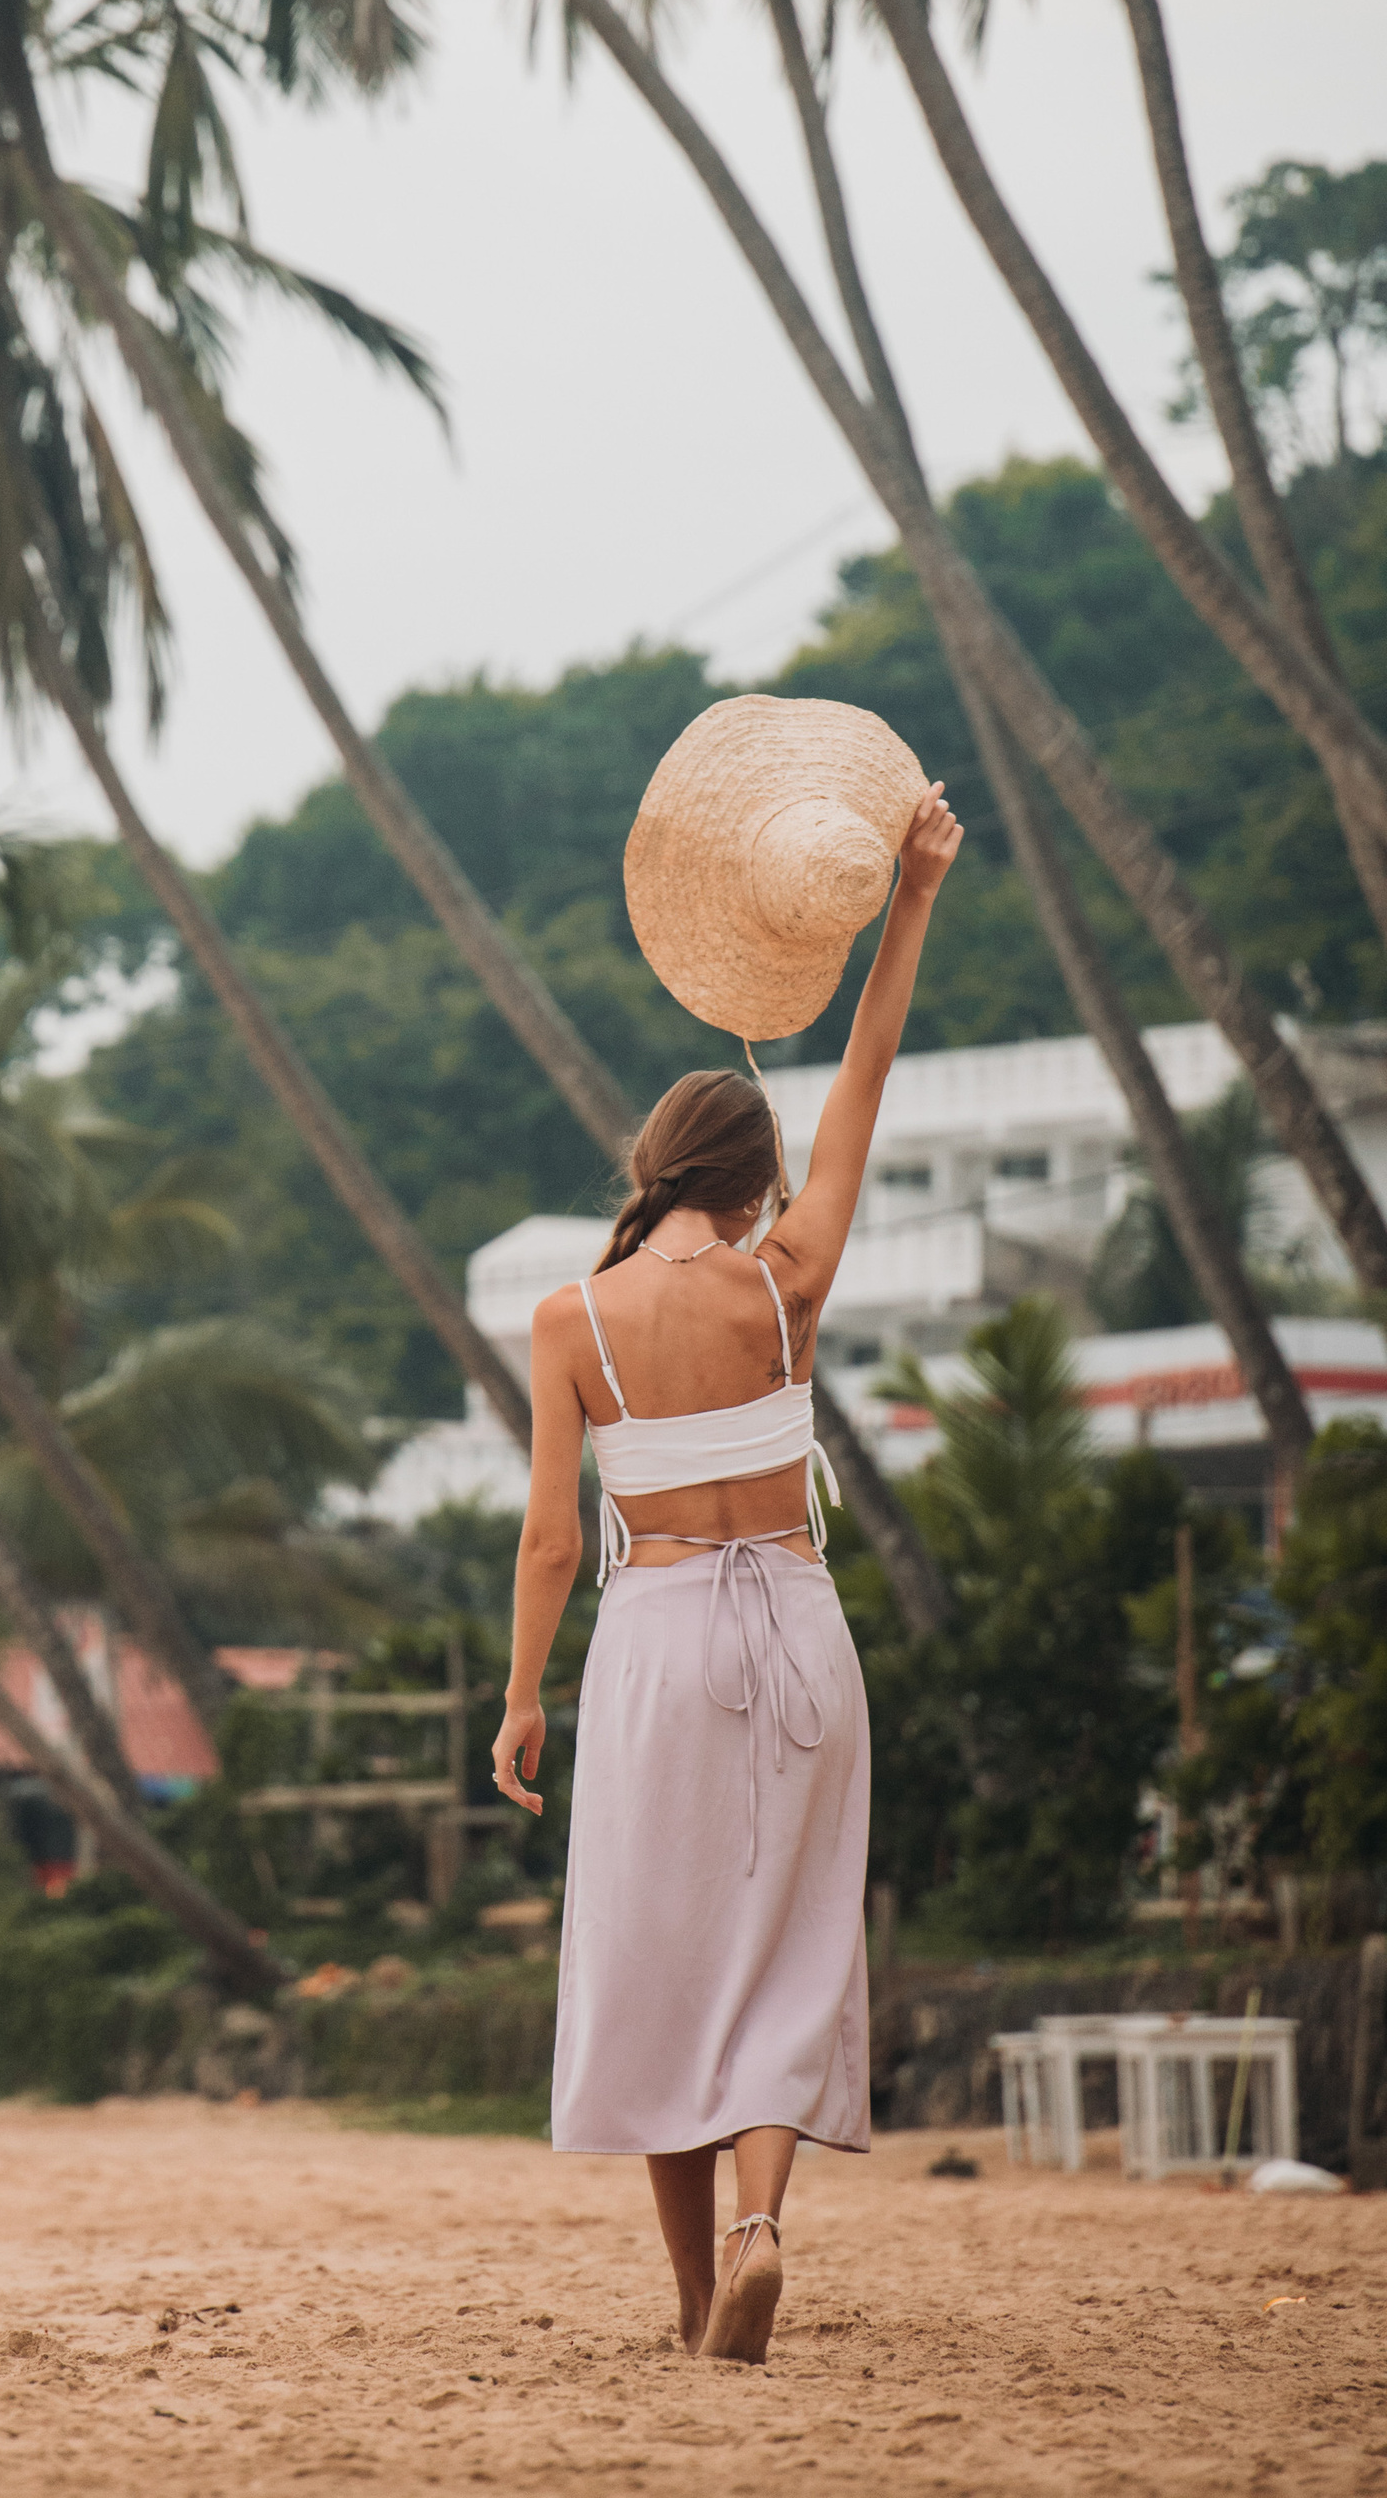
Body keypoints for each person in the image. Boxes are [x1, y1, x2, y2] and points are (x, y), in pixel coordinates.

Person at [491, 778, 964, 2364]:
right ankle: (765, 2228)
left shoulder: (570, 1319)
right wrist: (910, 897)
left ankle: (700, 2304)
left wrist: (521, 1699)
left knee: (662, 1955)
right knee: (788, 1941)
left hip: (656, 1639)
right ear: (754, 1178)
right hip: (799, 1625)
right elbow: (869, 1069)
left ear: (653, 1165)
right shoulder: (788, 1278)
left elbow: (554, 1538)